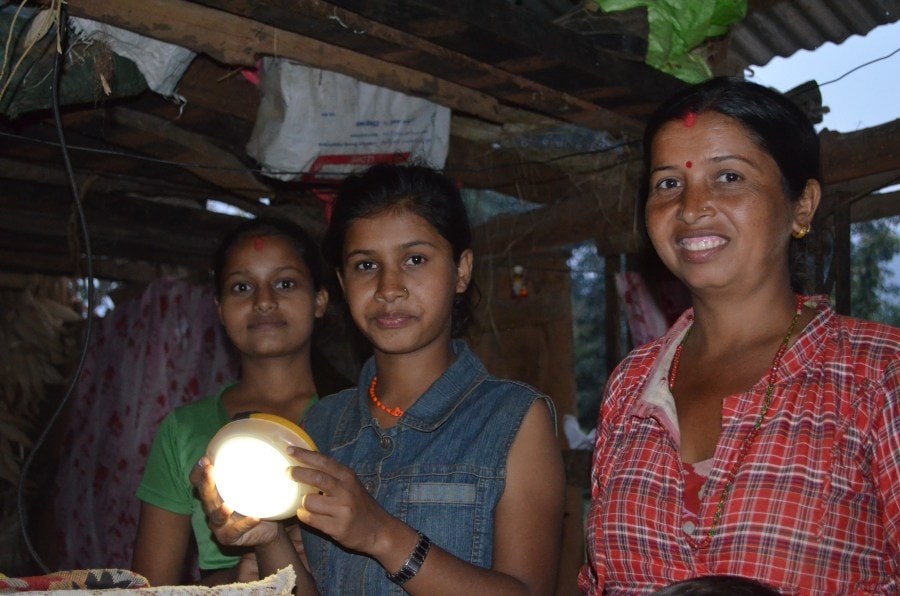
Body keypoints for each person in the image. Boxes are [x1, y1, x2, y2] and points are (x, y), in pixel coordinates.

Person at [578, 77, 900, 593]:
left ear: (802, 206)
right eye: (667, 184)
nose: (690, 207)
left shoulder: (879, 374)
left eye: (728, 176)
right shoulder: (630, 388)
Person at [193, 163, 567, 595]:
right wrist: (269, 539)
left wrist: (382, 536)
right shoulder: (321, 426)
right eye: (366, 264)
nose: (389, 287)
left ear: (461, 270)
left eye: (415, 259)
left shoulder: (514, 420)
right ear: (342, 281)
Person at [132, 217, 331, 587]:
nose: (264, 301)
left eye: (285, 283)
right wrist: (231, 581)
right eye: (242, 287)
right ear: (220, 308)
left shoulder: (358, 417)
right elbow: (151, 587)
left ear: (320, 300)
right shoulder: (184, 430)